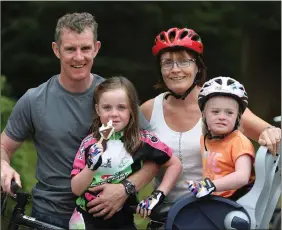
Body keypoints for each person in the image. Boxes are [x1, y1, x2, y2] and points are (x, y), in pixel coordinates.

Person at [0, 13, 158, 229]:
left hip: (107, 217)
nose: (78, 57)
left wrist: (126, 189)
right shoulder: (33, 100)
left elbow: (156, 157)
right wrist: (3, 166)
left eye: (85, 48)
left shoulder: (118, 99)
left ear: (96, 48)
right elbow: (4, 146)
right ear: (56, 50)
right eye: (70, 49)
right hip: (49, 216)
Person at [140, 27, 281, 205]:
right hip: (164, 212)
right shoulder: (149, 110)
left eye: (184, 61)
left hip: (214, 211)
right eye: (167, 62)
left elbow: (270, 132)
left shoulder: (221, 105)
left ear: (198, 66)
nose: (175, 69)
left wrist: (271, 132)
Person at [69, 76, 182, 229]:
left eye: (121, 107)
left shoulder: (143, 140)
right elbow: (76, 189)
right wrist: (91, 166)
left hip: (123, 218)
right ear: (97, 110)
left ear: (132, 110)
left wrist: (158, 195)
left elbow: (175, 164)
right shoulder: (89, 143)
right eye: (107, 108)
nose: (114, 114)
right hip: (86, 219)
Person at [187, 76, 255, 200]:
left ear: (237, 117)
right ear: (204, 114)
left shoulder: (239, 142)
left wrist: (209, 186)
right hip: (215, 197)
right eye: (215, 112)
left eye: (229, 113)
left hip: (237, 200)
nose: (222, 117)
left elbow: (242, 176)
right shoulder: (204, 139)